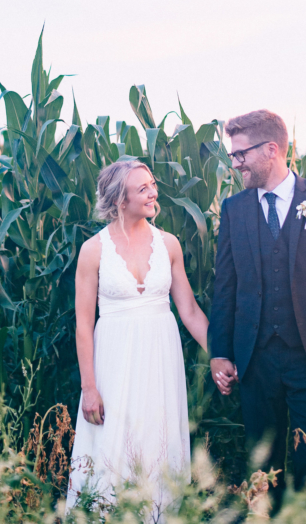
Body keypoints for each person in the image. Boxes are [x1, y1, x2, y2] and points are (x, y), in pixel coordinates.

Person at [209, 109, 306, 504]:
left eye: (241, 154)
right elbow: (225, 287)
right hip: (255, 357)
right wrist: (220, 353)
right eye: (233, 156)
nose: (236, 163)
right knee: (262, 462)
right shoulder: (234, 209)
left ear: (271, 149)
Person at [67, 158, 209, 519]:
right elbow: (83, 324)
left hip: (161, 361)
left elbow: (189, 312)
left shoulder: (169, 244)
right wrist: (89, 388)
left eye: (152, 184)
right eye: (142, 188)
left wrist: (222, 355)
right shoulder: (93, 250)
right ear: (120, 199)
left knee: (156, 442)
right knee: (112, 445)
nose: (153, 192)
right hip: (113, 362)